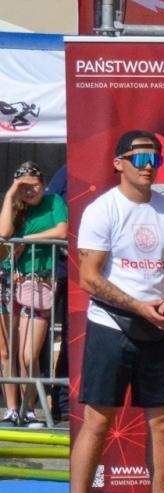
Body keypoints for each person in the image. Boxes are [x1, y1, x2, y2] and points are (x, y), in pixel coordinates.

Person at [61, 130, 164, 493]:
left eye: (155, 158)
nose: (149, 165)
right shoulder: (103, 210)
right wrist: (138, 307)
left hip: (157, 326)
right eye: (139, 158)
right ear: (119, 163)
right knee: (98, 421)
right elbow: (88, 277)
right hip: (111, 325)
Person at [1, 160, 68, 425]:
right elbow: (4, 233)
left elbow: (63, 231)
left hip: (39, 281)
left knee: (29, 353)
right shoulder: (15, 206)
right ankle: (12, 410)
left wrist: (26, 241)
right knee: (6, 351)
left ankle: (29, 408)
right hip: (8, 280)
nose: (31, 191)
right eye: (24, 187)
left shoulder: (53, 202)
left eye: (35, 185)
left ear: (43, 184)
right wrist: (10, 194)